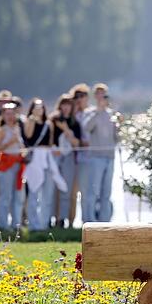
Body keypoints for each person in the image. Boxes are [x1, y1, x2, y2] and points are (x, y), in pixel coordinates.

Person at [82, 84, 120, 223]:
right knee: (93, 192)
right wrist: (98, 111)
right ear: (95, 96)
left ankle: (105, 223)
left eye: (103, 94)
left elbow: (117, 138)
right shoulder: (90, 112)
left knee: (106, 193)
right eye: (98, 94)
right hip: (96, 157)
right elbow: (87, 128)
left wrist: (120, 127)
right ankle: (90, 221)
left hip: (110, 157)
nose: (101, 96)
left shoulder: (112, 114)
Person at [50, 94, 82, 227]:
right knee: (53, 190)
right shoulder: (53, 120)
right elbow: (49, 139)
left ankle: (63, 219)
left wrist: (65, 129)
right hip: (55, 157)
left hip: (69, 158)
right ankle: (53, 218)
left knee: (66, 190)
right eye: (64, 104)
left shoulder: (75, 123)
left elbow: (76, 143)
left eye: (68, 104)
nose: (66, 107)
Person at [23, 98, 54, 230]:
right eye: (36, 107)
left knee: (46, 194)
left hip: (46, 159)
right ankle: (33, 224)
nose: (39, 109)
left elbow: (50, 143)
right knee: (33, 193)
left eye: (41, 107)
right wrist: (32, 120)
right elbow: (28, 136)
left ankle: (43, 224)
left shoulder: (48, 124)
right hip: (34, 160)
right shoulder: (29, 121)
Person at [0, 103, 25, 230]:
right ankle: (2, 224)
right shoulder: (1, 130)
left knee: (17, 196)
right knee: (5, 196)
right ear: (3, 115)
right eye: (7, 113)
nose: (10, 116)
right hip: (6, 165)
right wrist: (8, 143)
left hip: (18, 164)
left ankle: (16, 224)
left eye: (12, 113)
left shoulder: (18, 128)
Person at [71, 83, 91, 227]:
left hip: (92, 157)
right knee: (75, 192)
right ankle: (74, 221)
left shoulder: (92, 112)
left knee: (89, 191)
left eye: (82, 96)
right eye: (76, 97)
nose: (79, 99)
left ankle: (88, 221)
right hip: (76, 157)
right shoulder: (73, 116)